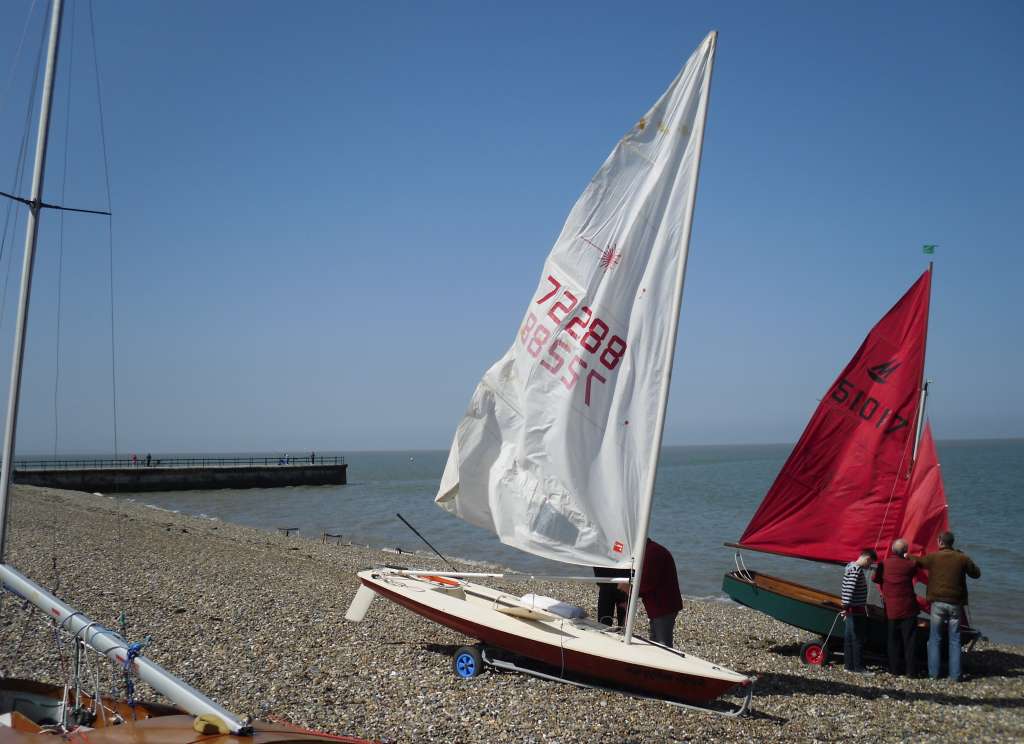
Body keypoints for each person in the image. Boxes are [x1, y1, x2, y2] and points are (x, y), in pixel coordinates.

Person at [910, 531, 981, 681]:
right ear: (952, 543)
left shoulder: (934, 557)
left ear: (940, 542)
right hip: (955, 604)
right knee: (955, 640)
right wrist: (966, 557)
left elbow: (918, 561)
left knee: (935, 638)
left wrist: (904, 555)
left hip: (938, 603)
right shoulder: (961, 558)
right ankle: (955, 676)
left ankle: (933, 674)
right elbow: (976, 574)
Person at [872, 538, 919, 676]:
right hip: (908, 609)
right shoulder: (910, 565)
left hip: (891, 609)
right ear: (905, 551)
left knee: (893, 641)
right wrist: (908, 557)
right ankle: (911, 672)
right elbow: (914, 571)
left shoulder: (884, 564)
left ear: (892, 550)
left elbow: (875, 579)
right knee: (909, 641)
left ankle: (894, 670)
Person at [627, 538, 682, 647]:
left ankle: (666, 663)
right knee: (655, 640)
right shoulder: (650, 550)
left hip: (664, 606)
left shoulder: (653, 553)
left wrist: (628, 591)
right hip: (659, 605)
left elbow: (646, 583)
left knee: (663, 644)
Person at [841, 547, 877, 673]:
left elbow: (846, 589)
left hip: (851, 609)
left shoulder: (849, 566)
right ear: (867, 558)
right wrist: (846, 607)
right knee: (857, 639)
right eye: (870, 562)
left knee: (849, 638)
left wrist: (846, 607)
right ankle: (859, 667)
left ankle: (849, 666)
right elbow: (849, 589)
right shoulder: (856, 570)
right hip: (855, 610)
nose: (870, 565)